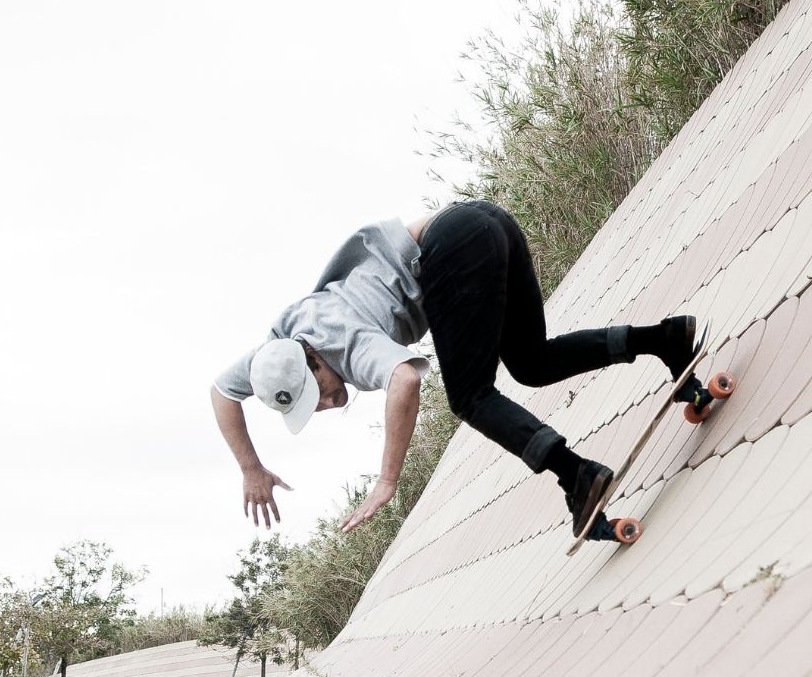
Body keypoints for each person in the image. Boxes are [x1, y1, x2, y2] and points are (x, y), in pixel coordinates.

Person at [211, 200, 696, 540]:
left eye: (316, 393)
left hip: (453, 249)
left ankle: (577, 475)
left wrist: (387, 481)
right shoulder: (278, 345)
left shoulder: (345, 344)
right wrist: (251, 469)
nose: (328, 403)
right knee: (532, 362)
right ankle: (666, 340)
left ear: (312, 358)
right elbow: (221, 392)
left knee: (469, 396)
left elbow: (403, 378)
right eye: (310, 407)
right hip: (480, 222)